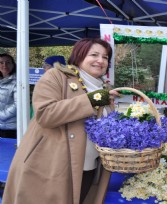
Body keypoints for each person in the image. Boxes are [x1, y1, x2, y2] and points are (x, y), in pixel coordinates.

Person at [3, 38, 120, 204]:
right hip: (53, 168)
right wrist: (93, 99)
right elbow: (45, 114)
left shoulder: (105, 88)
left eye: (105, 57)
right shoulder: (57, 76)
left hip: (88, 168)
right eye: (94, 54)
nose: (100, 60)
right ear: (79, 55)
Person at [0, 53, 17, 139]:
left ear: (13, 65)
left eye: (8, 62)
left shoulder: (18, 81)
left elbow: (18, 105)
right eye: (1, 63)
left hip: (10, 129)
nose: (4, 65)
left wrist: (1, 115)